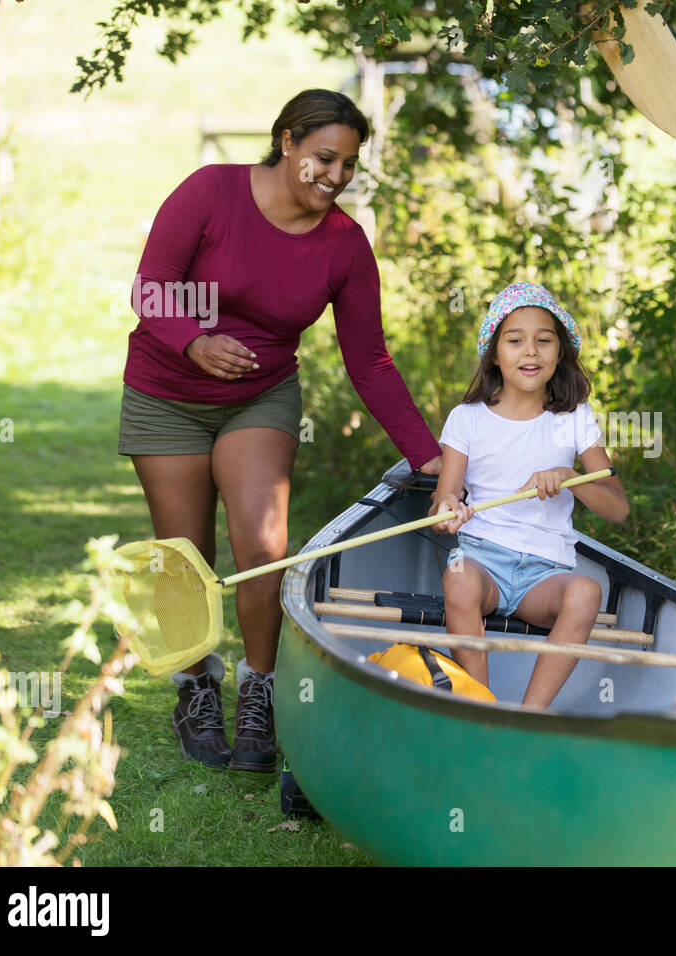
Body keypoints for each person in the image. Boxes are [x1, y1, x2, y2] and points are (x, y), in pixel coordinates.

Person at [119, 89, 443, 772]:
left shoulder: (344, 244)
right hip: (167, 390)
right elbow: (151, 287)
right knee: (184, 553)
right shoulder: (212, 193)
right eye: (326, 158)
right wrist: (195, 343)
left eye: (350, 165)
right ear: (288, 141)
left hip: (259, 398)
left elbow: (371, 361)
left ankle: (259, 695)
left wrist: (429, 456)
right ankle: (196, 689)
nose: (336, 176)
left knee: (262, 543)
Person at [431, 282, 629, 709]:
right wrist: (448, 510)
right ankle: (479, 709)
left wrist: (571, 475)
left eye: (544, 340)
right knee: (459, 578)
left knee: (587, 592)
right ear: (495, 353)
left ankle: (528, 716)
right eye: (516, 340)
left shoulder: (574, 420)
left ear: (559, 354)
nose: (531, 352)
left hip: (546, 574)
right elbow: (445, 499)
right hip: (483, 559)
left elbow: (617, 507)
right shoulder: (467, 419)